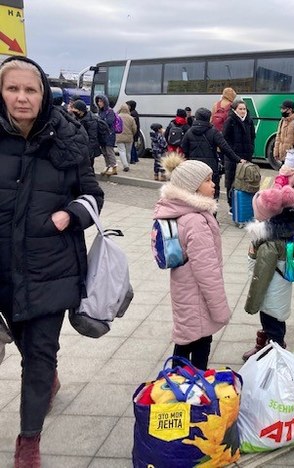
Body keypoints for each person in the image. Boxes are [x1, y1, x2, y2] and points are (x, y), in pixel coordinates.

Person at [0, 56, 104, 468]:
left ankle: (29, 443)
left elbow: (93, 194)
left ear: (44, 93)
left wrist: (70, 215)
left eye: (31, 89)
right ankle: (47, 382)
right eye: (13, 89)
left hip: (50, 266)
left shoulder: (68, 137)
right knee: (28, 347)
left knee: (40, 351)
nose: (22, 98)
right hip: (4, 269)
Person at [153, 153, 232, 369]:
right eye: (207, 180)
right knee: (200, 340)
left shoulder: (181, 212)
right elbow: (207, 271)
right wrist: (220, 308)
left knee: (186, 337)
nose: (213, 184)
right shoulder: (195, 221)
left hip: (184, 287)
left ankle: (177, 381)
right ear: (192, 187)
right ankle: (195, 384)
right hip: (198, 294)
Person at [241, 184, 294, 361]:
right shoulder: (285, 234)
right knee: (276, 322)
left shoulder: (269, 244)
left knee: (272, 323)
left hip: (271, 292)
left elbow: (261, 276)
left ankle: (275, 353)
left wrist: (252, 303)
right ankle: (270, 344)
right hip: (280, 290)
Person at [180, 107, 241, 201]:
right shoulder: (214, 132)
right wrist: (238, 160)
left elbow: (183, 150)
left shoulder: (189, 132)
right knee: (212, 195)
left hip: (194, 169)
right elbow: (226, 148)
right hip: (210, 170)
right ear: (209, 118)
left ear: (196, 117)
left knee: (195, 195)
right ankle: (211, 215)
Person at [223, 98, 256, 210]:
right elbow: (225, 139)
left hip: (246, 157)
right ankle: (231, 205)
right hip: (232, 157)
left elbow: (252, 137)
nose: (243, 111)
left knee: (245, 181)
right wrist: (232, 152)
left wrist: (251, 149)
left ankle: (243, 205)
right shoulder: (230, 120)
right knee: (231, 181)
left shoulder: (249, 121)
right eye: (240, 109)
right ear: (235, 109)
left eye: (244, 109)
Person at [70, 99, 101, 169]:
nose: (74, 112)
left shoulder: (91, 120)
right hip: (78, 148)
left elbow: (93, 138)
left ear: (81, 111)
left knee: (88, 168)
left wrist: (89, 153)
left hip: (88, 149)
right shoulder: (76, 118)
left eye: (75, 111)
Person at [273, 99, 294, 164]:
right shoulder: (282, 121)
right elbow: (278, 138)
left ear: (290, 110)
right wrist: (276, 152)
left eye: (283, 109)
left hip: (292, 158)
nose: (281, 111)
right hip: (283, 157)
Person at [94, 93, 118, 175]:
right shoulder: (100, 112)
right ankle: (107, 165)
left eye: (101, 101)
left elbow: (109, 122)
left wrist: (100, 121)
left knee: (109, 151)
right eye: (98, 101)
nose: (99, 103)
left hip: (109, 134)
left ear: (105, 102)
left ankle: (113, 166)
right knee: (104, 152)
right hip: (102, 134)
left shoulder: (110, 111)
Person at [115, 103, 137, 172]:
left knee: (122, 151)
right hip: (129, 137)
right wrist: (132, 134)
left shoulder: (117, 116)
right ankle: (128, 164)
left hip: (119, 136)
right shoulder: (131, 118)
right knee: (128, 152)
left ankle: (125, 165)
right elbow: (134, 128)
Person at [126, 100, 141, 164]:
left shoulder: (132, 113)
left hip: (132, 133)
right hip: (135, 132)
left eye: (128, 105)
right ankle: (135, 158)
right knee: (133, 146)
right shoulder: (135, 112)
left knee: (131, 147)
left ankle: (132, 159)